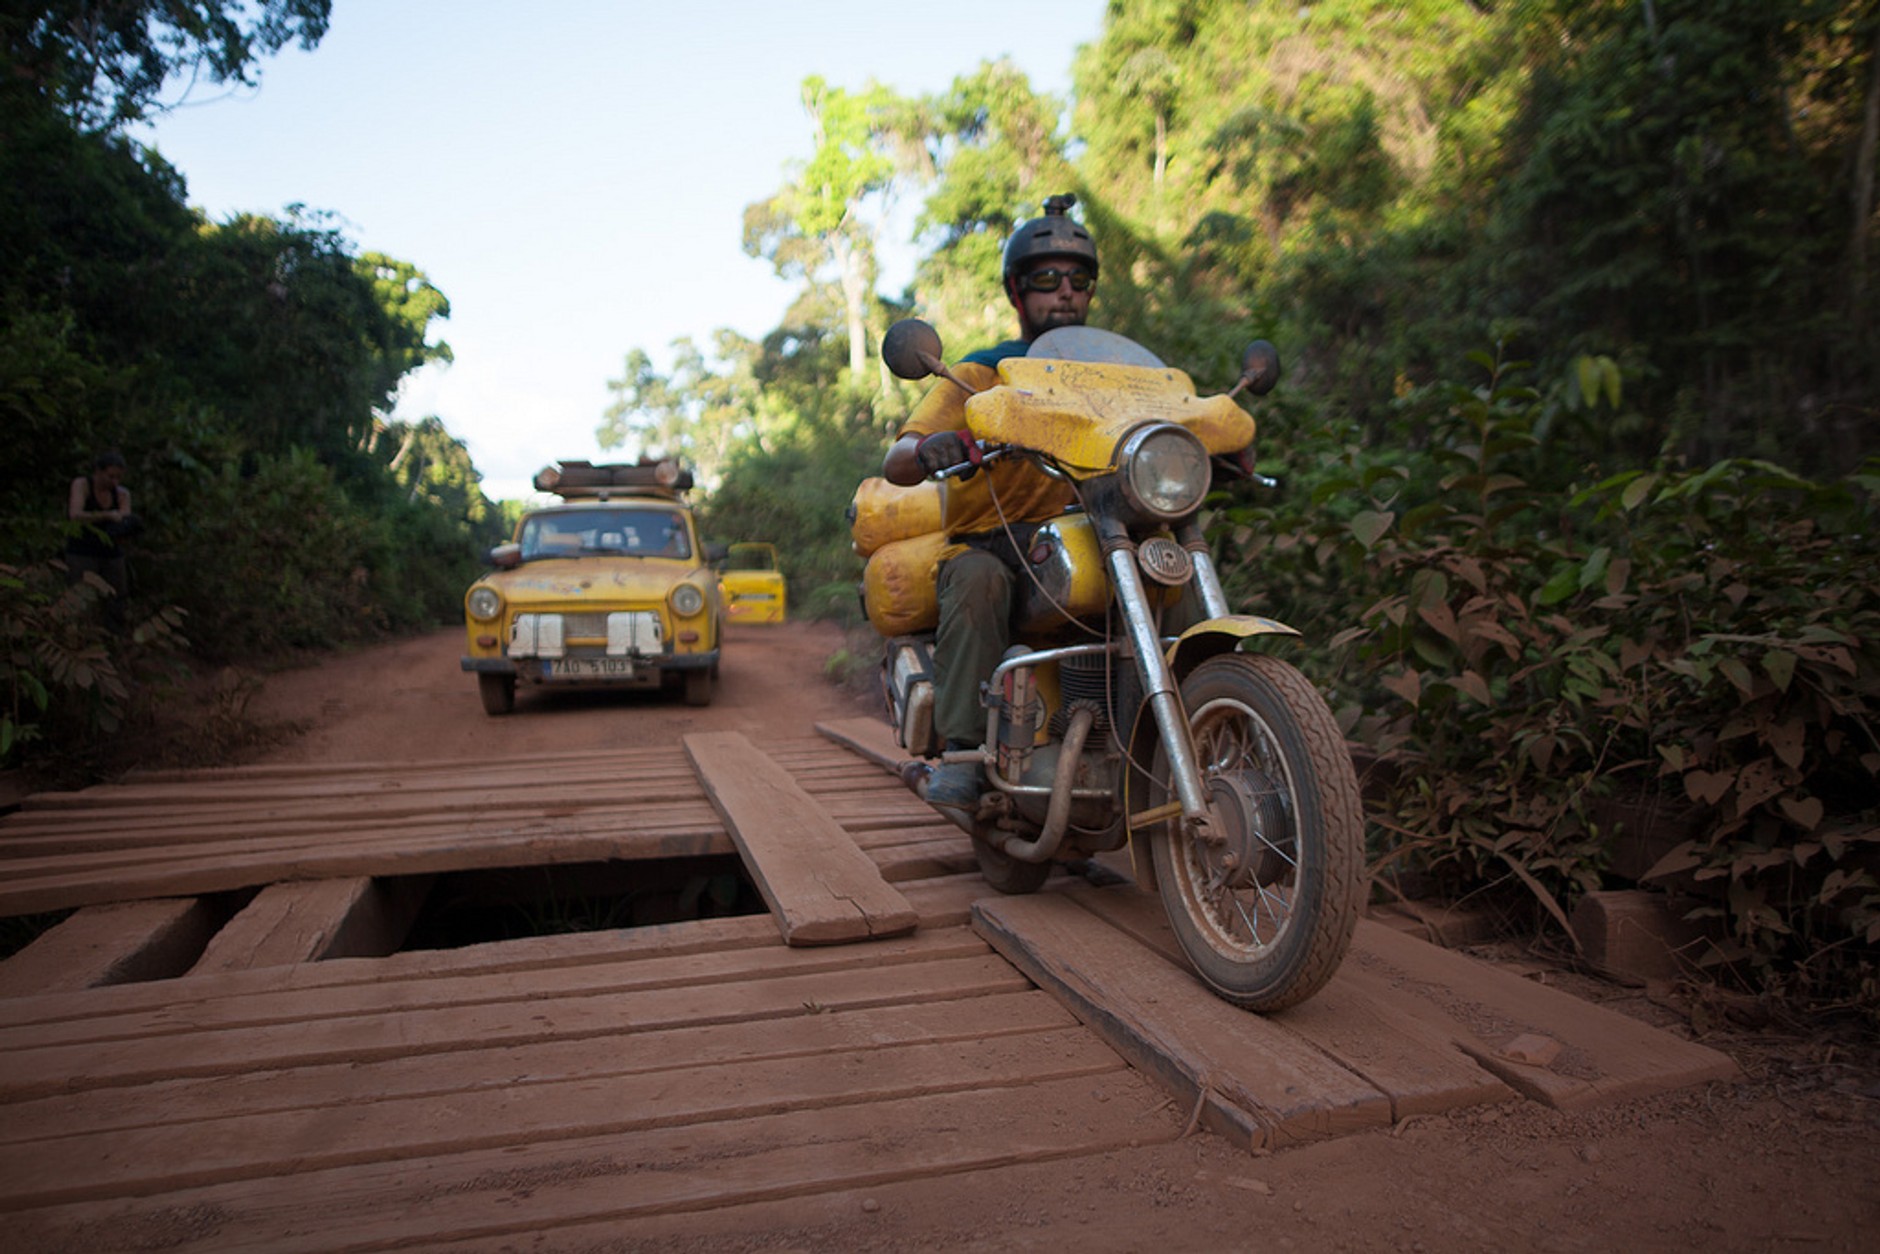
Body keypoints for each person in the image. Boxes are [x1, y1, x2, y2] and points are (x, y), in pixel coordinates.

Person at [882, 193, 1099, 810]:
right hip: (992, 544)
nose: (1065, 293)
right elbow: (897, 459)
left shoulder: (1113, 376)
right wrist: (932, 450)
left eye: (1078, 280)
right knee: (976, 578)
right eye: (1046, 279)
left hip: (1090, 533)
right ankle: (964, 752)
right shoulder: (981, 373)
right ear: (1016, 291)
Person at [65, 450, 135, 622]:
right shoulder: (82, 485)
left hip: (111, 553)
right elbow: (75, 514)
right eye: (110, 476)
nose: (114, 482)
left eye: (118, 477)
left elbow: (125, 520)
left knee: (116, 597)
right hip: (82, 551)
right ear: (98, 472)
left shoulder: (121, 494)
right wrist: (107, 515)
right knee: (80, 597)